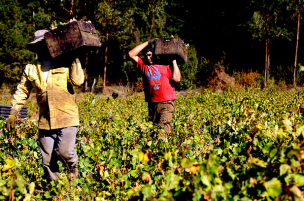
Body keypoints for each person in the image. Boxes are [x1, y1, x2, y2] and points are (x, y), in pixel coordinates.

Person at [6, 29, 84, 182]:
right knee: (47, 161)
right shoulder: (31, 68)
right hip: (45, 121)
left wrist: (74, 56)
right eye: (38, 45)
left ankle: (73, 170)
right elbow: (22, 91)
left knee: (64, 152)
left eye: (44, 44)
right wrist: (13, 112)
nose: (41, 48)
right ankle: (55, 190)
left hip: (66, 117)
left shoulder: (65, 61)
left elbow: (78, 81)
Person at [128, 39, 181, 141]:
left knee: (161, 134)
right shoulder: (144, 67)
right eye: (147, 55)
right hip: (152, 106)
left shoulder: (165, 65)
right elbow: (131, 54)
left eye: (151, 54)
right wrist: (148, 42)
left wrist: (173, 60)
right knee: (153, 135)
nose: (149, 57)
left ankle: (164, 155)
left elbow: (177, 79)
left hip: (166, 104)